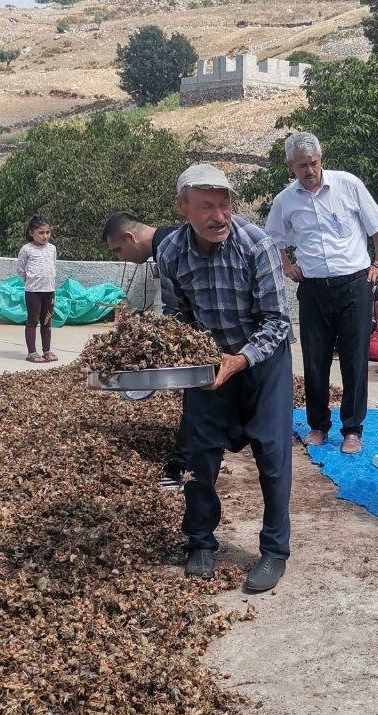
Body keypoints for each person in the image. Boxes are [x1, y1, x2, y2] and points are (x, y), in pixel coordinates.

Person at [104, 165, 293, 592]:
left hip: (262, 359)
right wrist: (165, 355)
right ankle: (201, 542)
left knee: (272, 453)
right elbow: (177, 316)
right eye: (206, 206)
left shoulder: (257, 246)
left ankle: (274, 550)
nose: (218, 215)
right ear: (183, 207)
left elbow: (277, 321)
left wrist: (238, 360)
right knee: (200, 455)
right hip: (208, 360)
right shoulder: (170, 252)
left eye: (224, 204)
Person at [264, 132, 378, 455]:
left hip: (354, 286)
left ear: (322, 160)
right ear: (291, 166)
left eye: (314, 163)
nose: (310, 171)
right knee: (314, 360)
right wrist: (287, 266)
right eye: (302, 166)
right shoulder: (285, 201)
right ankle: (318, 426)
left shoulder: (348, 185)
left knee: (355, 359)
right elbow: (272, 239)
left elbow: (377, 226)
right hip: (314, 290)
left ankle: (352, 429)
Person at [100, 211, 187, 487]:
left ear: (130, 237)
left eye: (118, 250)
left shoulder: (169, 247)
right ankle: (209, 450)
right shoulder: (169, 238)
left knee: (201, 403)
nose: (121, 257)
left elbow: (179, 307)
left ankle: (182, 465)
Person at [17, 214, 58, 363]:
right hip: (33, 292)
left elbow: (53, 265)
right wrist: (32, 281)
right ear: (31, 233)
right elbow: (21, 270)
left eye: (47, 232)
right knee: (33, 321)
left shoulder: (52, 249)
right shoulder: (27, 249)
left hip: (49, 292)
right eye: (40, 233)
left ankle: (46, 350)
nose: (45, 236)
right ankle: (32, 352)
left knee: (47, 321)